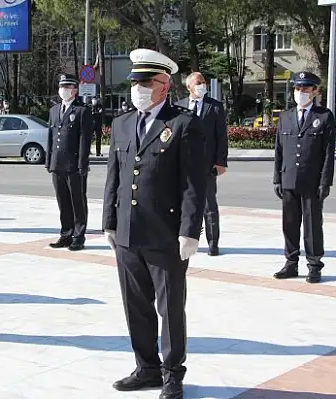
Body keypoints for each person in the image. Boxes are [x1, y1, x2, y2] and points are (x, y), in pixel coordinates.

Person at [102, 49, 207, 399]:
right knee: (136, 305)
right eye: (135, 82)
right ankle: (146, 367)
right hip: (128, 232)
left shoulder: (183, 124)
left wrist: (190, 230)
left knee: (170, 308)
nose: (138, 88)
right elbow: (114, 178)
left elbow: (194, 184)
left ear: (164, 85)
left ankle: (172, 373)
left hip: (166, 235)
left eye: (146, 82)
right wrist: (109, 221)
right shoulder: (122, 123)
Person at [272, 71, 335, 284]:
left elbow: (328, 154)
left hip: (312, 182)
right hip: (288, 179)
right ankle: (291, 263)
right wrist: (276, 179)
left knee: (312, 226)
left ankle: (314, 265)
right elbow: (279, 151)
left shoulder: (324, 117)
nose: (301, 93)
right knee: (289, 224)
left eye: (306, 89)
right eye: (298, 89)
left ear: (315, 91)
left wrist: (325, 182)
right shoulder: (286, 116)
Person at [176, 72, 228, 256]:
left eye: (204, 82)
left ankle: (213, 243)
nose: (202, 85)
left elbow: (221, 136)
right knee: (184, 204)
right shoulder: (179, 106)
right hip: (183, 164)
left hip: (207, 165)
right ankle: (188, 237)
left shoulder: (214, 107)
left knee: (209, 205)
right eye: (198, 83)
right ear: (189, 86)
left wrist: (220, 162)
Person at [45, 73, 93, 251]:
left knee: (77, 201)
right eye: (61, 87)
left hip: (74, 165)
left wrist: (82, 164)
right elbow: (50, 137)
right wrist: (49, 161)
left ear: (74, 90)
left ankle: (78, 236)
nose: (63, 90)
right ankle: (66, 234)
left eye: (67, 87)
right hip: (57, 164)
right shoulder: (54, 110)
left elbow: (84, 140)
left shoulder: (82, 110)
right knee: (62, 201)